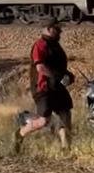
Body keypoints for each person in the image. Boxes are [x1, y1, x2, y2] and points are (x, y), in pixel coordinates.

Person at [14, 18, 75, 153]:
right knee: (43, 121)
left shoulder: (56, 46)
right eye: (57, 29)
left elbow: (59, 68)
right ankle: (20, 133)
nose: (60, 31)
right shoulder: (40, 45)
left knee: (65, 115)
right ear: (49, 29)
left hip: (57, 87)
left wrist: (69, 75)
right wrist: (59, 77)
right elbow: (40, 68)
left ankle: (66, 149)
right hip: (43, 88)